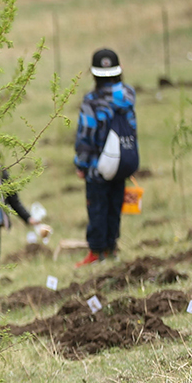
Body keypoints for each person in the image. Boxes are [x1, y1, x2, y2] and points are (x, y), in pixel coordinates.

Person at [74, 48, 139, 266]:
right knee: (114, 206)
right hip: (122, 163)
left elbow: (86, 135)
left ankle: (96, 252)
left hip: (97, 167)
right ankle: (112, 247)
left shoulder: (92, 101)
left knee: (97, 208)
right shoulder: (128, 96)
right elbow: (132, 128)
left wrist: (81, 164)